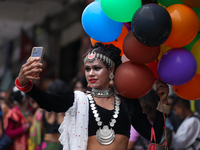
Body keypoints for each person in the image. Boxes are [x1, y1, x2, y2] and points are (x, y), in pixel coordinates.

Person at [15, 43, 170, 150]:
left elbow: (154, 137)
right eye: (87, 69)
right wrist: (25, 84)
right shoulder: (78, 100)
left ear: (111, 71)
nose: (91, 74)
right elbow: (48, 101)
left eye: (96, 68)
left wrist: (163, 103)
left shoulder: (127, 102)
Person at [29, 79, 67, 150]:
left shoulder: (41, 112)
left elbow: (34, 133)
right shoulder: (68, 111)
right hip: (63, 146)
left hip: (47, 146)